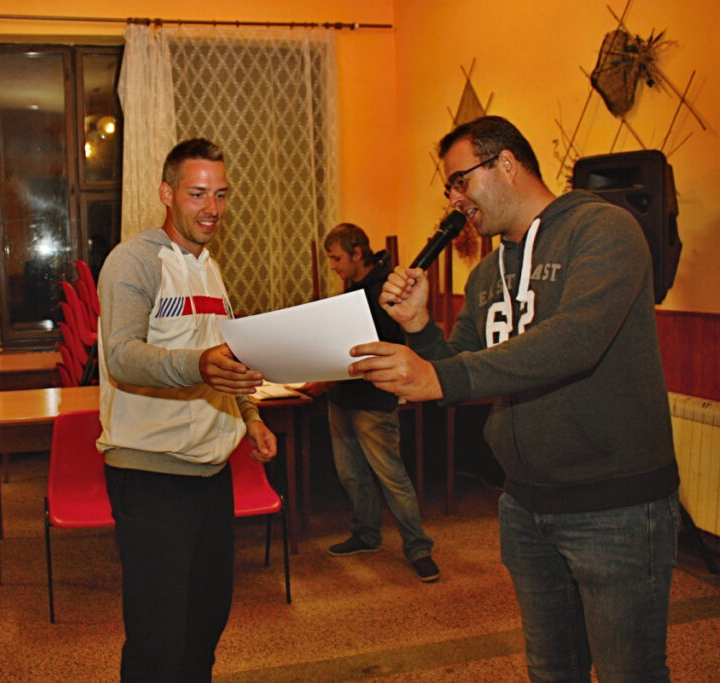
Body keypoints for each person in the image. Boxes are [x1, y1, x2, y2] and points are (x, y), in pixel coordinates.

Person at [349, 116, 680, 681]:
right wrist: (421, 327)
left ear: (505, 163)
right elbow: (457, 370)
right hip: (525, 505)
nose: (455, 200)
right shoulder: (487, 275)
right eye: (449, 188)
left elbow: (576, 340)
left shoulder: (604, 229)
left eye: (460, 181)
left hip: (615, 505)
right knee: (551, 669)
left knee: (630, 672)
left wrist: (440, 377)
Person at [96, 137, 278, 682]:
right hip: (150, 474)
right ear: (166, 193)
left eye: (220, 194)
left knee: (205, 624)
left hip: (210, 473)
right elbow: (123, 356)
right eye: (198, 193)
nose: (212, 208)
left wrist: (250, 416)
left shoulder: (209, 268)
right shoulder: (134, 260)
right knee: (158, 640)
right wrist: (197, 365)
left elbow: (225, 356)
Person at [300, 223, 438, 582]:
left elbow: (378, 349)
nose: (333, 266)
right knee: (351, 474)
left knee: (391, 476)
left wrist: (327, 379)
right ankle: (366, 534)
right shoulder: (353, 289)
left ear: (357, 254)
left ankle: (418, 547)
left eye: (336, 258)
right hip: (342, 396)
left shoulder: (383, 291)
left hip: (373, 398)